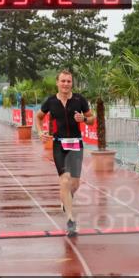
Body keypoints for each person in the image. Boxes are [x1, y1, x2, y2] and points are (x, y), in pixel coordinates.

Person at [38, 70, 94, 237]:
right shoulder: (50, 101)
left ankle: (66, 200)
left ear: (72, 83)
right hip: (59, 144)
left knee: (75, 184)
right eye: (63, 81)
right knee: (64, 180)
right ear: (57, 82)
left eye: (68, 81)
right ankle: (70, 219)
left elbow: (92, 119)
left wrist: (83, 119)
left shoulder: (79, 100)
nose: (66, 84)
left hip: (76, 144)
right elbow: (38, 117)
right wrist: (40, 132)